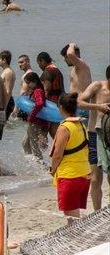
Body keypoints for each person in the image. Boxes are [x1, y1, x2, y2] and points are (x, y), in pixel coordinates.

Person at [49, 93, 91, 223]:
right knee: (74, 212)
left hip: (70, 176)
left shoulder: (64, 128)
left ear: (60, 107)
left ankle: (77, 239)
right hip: (83, 173)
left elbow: (57, 154)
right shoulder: (81, 125)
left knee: (70, 215)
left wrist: (52, 169)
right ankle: (78, 236)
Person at [77, 66, 110, 210]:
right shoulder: (97, 86)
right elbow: (80, 101)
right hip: (94, 136)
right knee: (96, 179)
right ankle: (97, 211)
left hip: (109, 136)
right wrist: (98, 106)